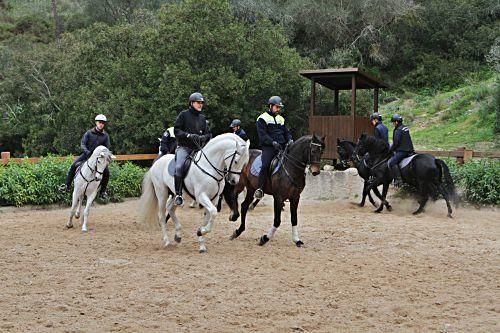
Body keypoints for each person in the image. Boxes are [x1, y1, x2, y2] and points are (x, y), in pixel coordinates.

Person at [59, 114, 111, 198]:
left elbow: (107, 148)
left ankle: (103, 191)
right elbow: (82, 144)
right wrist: (87, 152)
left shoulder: (105, 136)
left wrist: (104, 156)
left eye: (103, 123)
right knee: (73, 166)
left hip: (98, 159)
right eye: (100, 122)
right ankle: (66, 186)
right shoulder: (89, 133)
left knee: (107, 172)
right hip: (86, 155)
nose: (101, 124)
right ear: (96, 123)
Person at [173, 92, 211, 205]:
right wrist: (188, 135)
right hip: (184, 148)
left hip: (198, 149)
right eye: (198, 102)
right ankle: (178, 194)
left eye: (202, 103)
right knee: (179, 167)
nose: (200, 105)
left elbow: (209, 134)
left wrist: (204, 137)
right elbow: (177, 130)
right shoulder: (183, 115)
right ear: (191, 103)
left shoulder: (203, 118)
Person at [254, 96, 293, 199]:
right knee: (266, 165)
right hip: (269, 147)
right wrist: (272, 142)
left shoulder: (281, 119)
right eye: (277, 107)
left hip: (282, 146)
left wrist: (289, 139)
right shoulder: (262, 118)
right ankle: (260, 188)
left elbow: (286, 132)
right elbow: (263, 135)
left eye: (280, 107)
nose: (279, 109)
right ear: (270, 106)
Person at [388, 114, 415, 186]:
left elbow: (396, 143)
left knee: (392, 162)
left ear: (396, 122)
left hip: (403, 151)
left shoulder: (398, 130)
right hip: (410, 150)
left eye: (393, 122)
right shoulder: (405, 128)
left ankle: (399, 180)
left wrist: (390, 150)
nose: (393, 124)